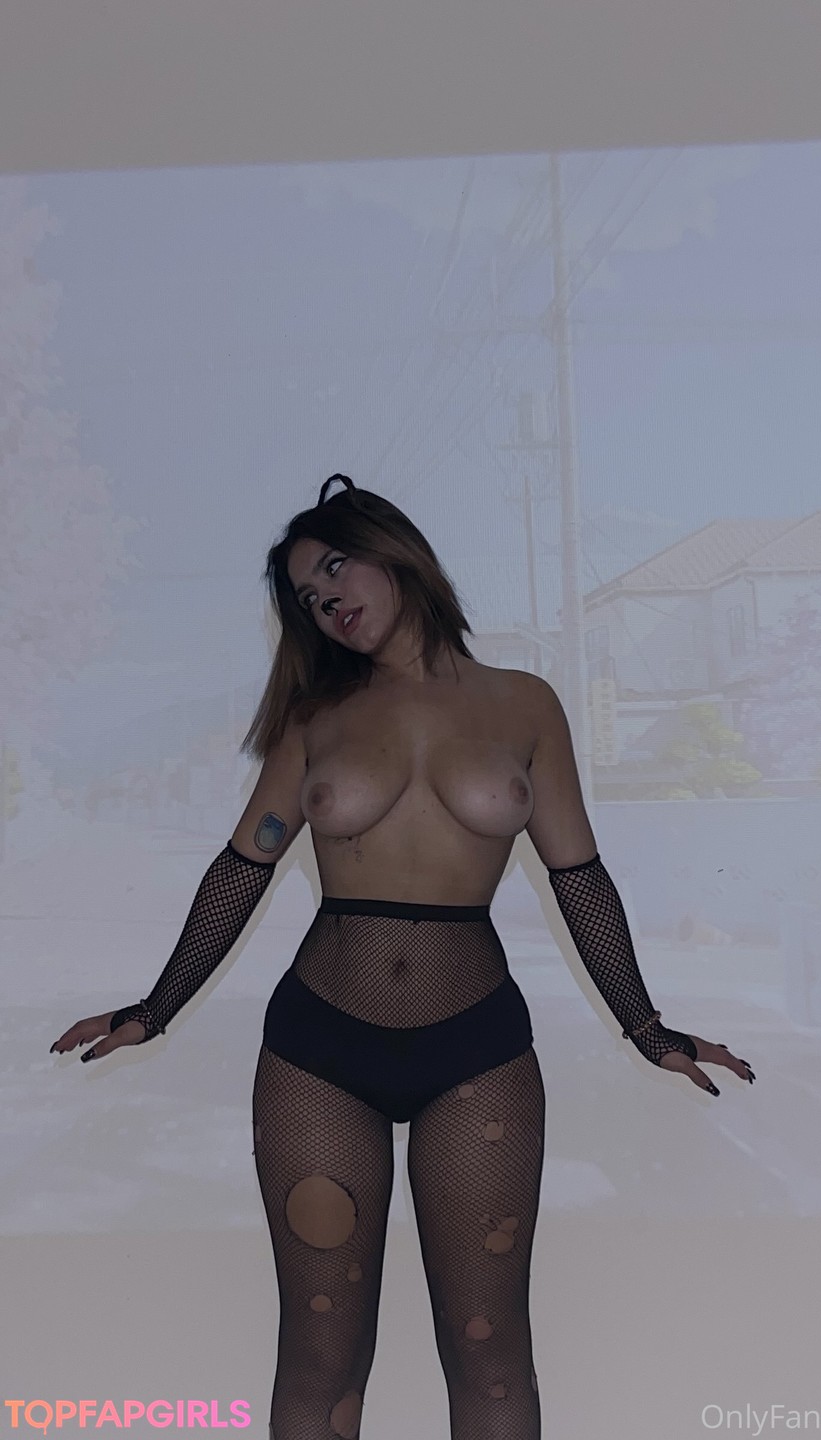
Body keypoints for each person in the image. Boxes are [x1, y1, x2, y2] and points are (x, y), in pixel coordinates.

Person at [51, 473, 755, 1440]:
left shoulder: (526, 703)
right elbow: (244, 864)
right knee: (320, 1353)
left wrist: (646, 1026)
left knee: (489, 1349)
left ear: (396, 552)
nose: (327, 600)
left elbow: (579, 876)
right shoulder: (315, 719)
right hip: (318, 1053)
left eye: (337, 567)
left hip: (477, 1054)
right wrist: (155, 1009)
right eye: (307, 597)